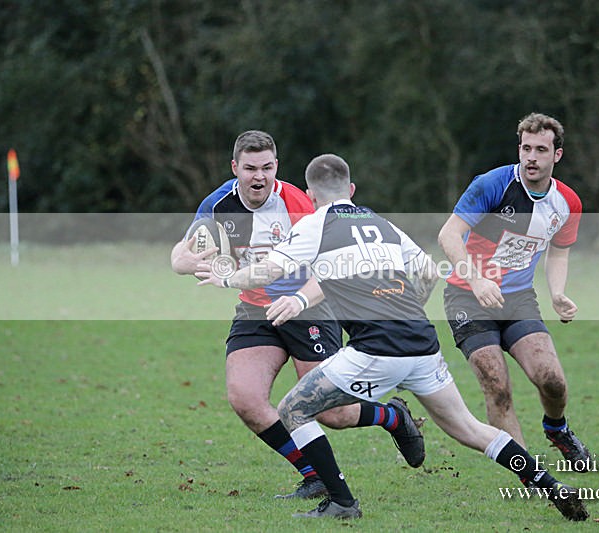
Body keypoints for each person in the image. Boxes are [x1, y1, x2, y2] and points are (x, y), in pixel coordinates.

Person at [196, 153, 589, 521]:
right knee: (471, 429)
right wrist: (407, 306)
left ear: (311, 195)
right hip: (422, 344)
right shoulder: (383, 223)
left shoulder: (314, 224)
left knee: (293, 410)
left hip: (374, 350)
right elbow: (429, 273)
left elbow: (267, 273)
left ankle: (341, 502)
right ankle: (549, 484)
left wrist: (226, 276)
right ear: (351, 190)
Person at [171, 131, 425, 500]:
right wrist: (181, 261)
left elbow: (335, 268)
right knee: (246, 399)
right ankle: (314, 475)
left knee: (331, 414)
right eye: (250, 169)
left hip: (312, 308)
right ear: (234, 168)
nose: (259, 177)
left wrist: (300, 301)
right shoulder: (220, 203)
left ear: (277, 166)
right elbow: (184, 248)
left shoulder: (301, 206)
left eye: (267, 168)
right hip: (255, 310)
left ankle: (393, 416)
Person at [437, 113, 592, 474]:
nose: (531, 157)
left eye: (541, 149)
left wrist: (557, 293)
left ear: (557, 155)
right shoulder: (492, 185)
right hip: (467, 297)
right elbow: (448, 235)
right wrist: (476, 279)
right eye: (526, 148)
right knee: (497, 386)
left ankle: (557, 429)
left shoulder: (567, 202)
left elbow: (559, 250)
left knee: (552, 380)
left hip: (519, 298)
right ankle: (530, 474)